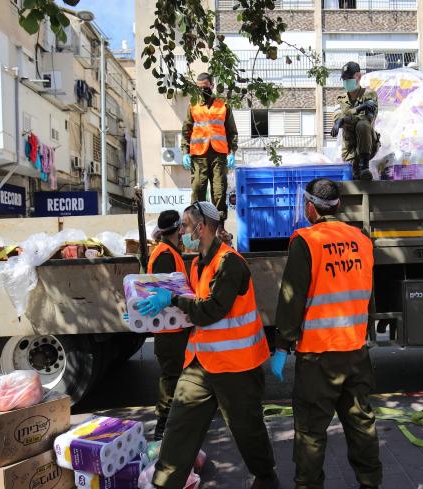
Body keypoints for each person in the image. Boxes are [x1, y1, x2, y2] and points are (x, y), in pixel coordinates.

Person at [136, 201, 279, 489]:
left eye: (186, 226)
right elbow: (192, 310)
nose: (183, 232)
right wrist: (142, 313)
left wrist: (172, 300)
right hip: (201, 363)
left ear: (200, 228)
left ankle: (266, 477)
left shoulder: (230, 263)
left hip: (237, 366)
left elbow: (211, 310)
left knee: (246, 430)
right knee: (179, 426)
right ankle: (164, 483)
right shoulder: (200, 263)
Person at [270, 178, 382, 489]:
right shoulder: (362, 239)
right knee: (361, 424)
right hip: (356, 352)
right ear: (339, 206)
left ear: (310, 207)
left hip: (319, 357)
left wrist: (282, 346)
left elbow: (292, 298)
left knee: (310, 431)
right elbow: (368, 295)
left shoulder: (307, 241)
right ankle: (371, 483)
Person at [146, 210, 191, 441]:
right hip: (169, 330)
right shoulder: (165, 254)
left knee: (174, 377)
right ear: (177, 229)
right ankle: (163, 429)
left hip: (173, 328)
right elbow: (166, 293)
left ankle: (170, 426)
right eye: (183, 226)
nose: (185, 230)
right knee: (171, 378)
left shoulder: (169, 251)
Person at [181, 73, 238, 228]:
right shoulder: (193, 106)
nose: (202, 90)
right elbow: (186, 130)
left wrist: (232, 152)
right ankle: (196, 224)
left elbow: (231, 130)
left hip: (219, 154)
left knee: (219, 191)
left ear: (212, 86)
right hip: (199, 155)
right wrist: (185, 152)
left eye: (205, 87)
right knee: (198, 188)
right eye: (199, 88)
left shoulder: (223, 105)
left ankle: (218, 227)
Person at [330, 62, 379, 181]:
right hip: (349, 149)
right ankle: (359, 172)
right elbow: (336, 116)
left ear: (359, 76)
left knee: (362, 124)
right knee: (353, 180)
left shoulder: (369, 95)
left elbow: (367, 118)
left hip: (367, 146)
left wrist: (344, 118)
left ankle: (364, 167)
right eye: (344, 79)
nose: (347, 81)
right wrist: (359, 108)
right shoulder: (340, 99)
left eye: (349, 78)